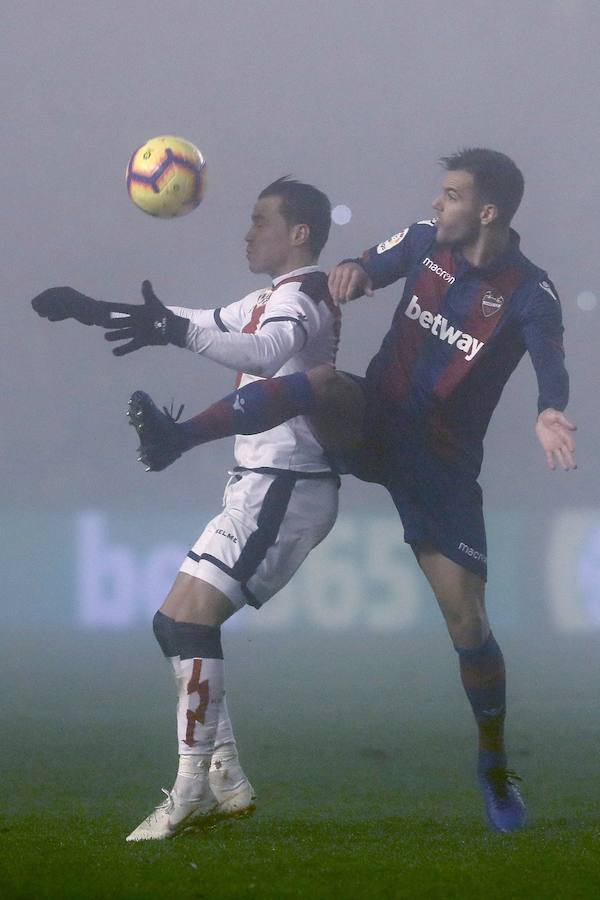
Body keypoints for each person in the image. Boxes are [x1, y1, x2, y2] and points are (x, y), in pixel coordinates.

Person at [102, 149, 577, 833]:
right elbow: (362, 265)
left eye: (451, 196)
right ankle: (179, 438)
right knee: (321, 382)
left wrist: (550, 408)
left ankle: (494, 764)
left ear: (488, 211)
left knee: (468, 624)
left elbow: (550, 360)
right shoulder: (423, 241)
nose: (437, 204)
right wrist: (353, 270)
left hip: (438, 466)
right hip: (373, 419)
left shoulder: (531, 292)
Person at [31, 177, 341, 841]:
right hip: (259, 483)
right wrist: (95, 309)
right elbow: (197, 322)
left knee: (190, 622)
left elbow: (261, 353)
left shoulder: (307, 294)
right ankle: (224, 773)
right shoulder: (269, 297)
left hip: (288, 484)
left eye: (261, 221)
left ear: (300, 234)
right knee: (174, 625)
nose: (247, 232)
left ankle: (192, 784)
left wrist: (174, 330)